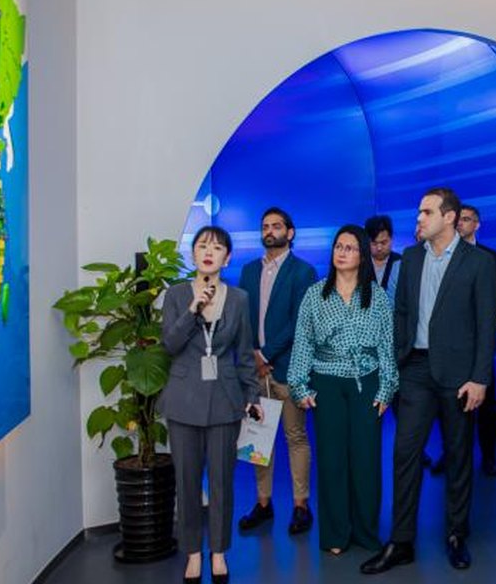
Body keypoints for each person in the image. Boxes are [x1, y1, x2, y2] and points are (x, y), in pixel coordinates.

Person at [360, 187, 496, 575]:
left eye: (427, 212)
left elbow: (486, 324)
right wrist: (399, 358)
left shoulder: (479, 262)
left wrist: (480, 378)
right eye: (419, 212)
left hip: (459, 375)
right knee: (405, 453)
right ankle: (401, 541)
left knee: (458, 455)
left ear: (449, 217)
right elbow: (402, 312)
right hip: (416, 370)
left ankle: (456, 534)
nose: (419, 218)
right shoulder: (412, 258)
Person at [287, 225, 398, 555]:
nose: (342, 252)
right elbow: (303, 342)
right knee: (332, 459)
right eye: (338, 246)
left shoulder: (377, 296)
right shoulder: (315, 294)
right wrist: (299, 385)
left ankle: (365, 532)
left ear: (362, 255)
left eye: (350, 248)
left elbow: (387, 345)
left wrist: (387, 389)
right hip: (327, 383)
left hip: (368, 383)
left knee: (366, 460)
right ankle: (335, 534)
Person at [159, 226, 262, 584]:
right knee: (187, 483)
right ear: (193, 254)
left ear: (227, 258)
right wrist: (194, 309)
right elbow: (170, 345)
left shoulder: (239, 299)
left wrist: (252, 395)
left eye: (217, 248)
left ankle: (218, 552)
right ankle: (192, 553)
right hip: (183, 400)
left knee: (221, 482)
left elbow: (245, 353)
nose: (208, 252)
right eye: (202, 246)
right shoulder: (176, 295)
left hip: (224, 400)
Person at [236, 207, 318, 535]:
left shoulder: (303, 272)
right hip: (256, 372)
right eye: (265, 226)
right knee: (258, 439)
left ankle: (301, 506)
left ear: (290, 232)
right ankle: (263, 504)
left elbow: (300, 321)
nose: (270, 231)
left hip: (287, 369)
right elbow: (242, 318)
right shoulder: (248, 271)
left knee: (295, 437)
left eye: (276, 226)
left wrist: (266, 354)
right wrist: (253, 356)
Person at [455, 203, 496, 475]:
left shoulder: (491, 257)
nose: (460, 223)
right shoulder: (442, 256)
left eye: (466, 219)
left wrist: (488, 332)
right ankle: (452, 457)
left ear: (477, 225)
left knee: (487, 403)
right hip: (452, 344)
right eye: (458, 219)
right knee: (452, 407)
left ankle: (489, 456)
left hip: (481, 343)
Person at [366, 214, 402, 302]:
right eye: (374, 243)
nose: (379, 248)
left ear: (391, 239)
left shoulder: (401, 262)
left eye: (383, 242)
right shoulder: (360, 263)